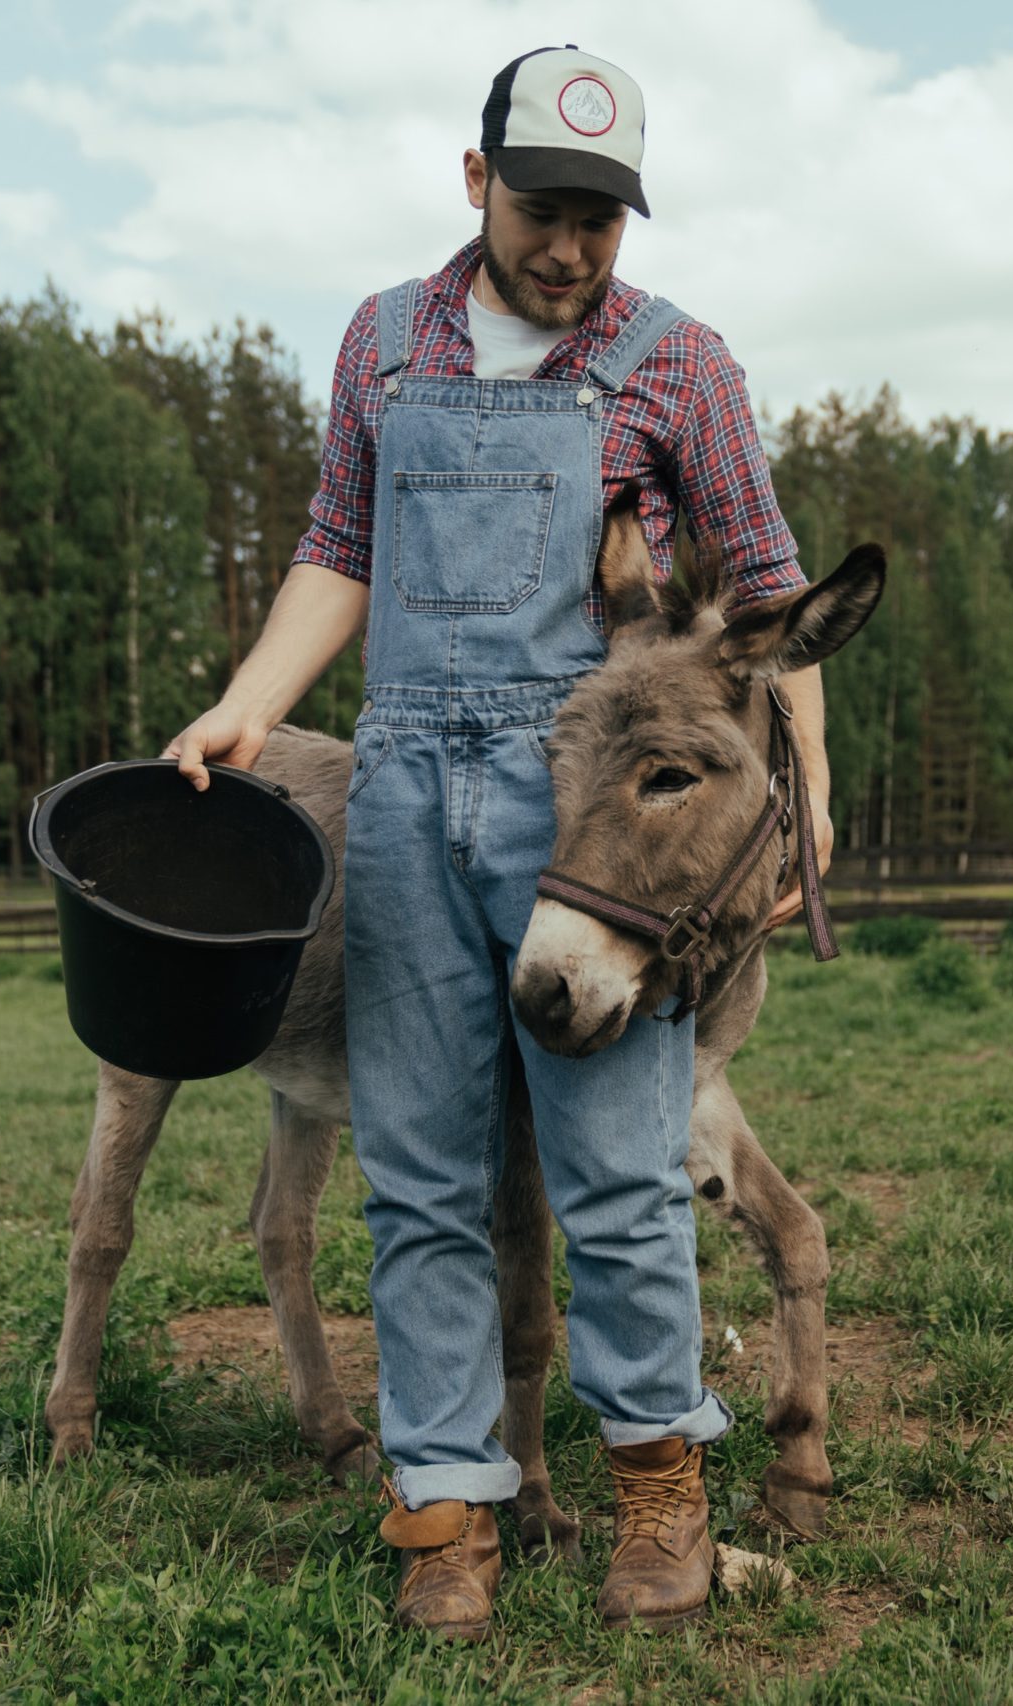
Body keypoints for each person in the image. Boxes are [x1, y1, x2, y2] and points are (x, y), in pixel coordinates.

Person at [162, 45, 831, 1641]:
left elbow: (772, 591)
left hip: (589, 816)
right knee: (421, 1176)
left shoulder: (682, 364)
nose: (574, 249)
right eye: (545, 210)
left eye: (605, 220)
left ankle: (661, 1495)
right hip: (401, 797)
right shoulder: (384, 343)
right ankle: (447, 1507)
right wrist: (249, 706)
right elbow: (340, 544)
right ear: (477, 184)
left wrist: (807, 800)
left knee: (616, 1177)